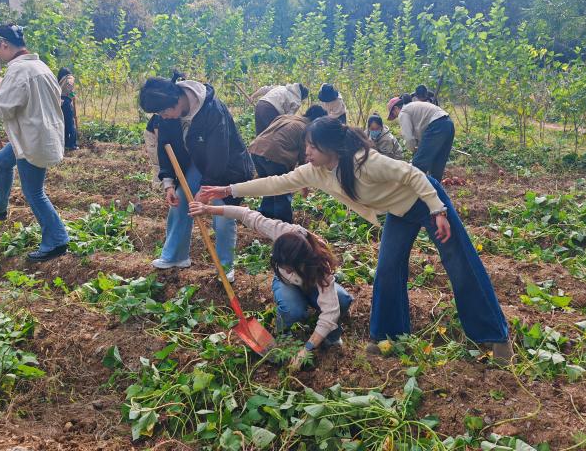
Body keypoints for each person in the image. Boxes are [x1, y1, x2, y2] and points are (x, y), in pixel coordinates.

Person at [198, 117, 512, 362]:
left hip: (426, 201)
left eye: (312, 147)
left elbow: (413, 174)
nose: (306, 153)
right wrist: (229, 190)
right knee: (387, 269)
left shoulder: (366, 161)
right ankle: (388, 336)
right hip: (399, 210)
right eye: (307, 147)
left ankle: (494, 336)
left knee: (459, 263)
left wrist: (438, 210)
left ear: (330, 147)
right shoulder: (316, 171)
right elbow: (276, 183)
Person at [188, 201, 353, 369]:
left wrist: (307, 348)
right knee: (292, 310)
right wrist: (208, 209)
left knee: (341, 300)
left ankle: (330, 337)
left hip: (312, 285)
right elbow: (247, 214)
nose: (284, 269)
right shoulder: (284, 232)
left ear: (300, 262)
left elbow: (330, 311)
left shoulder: (319, 265)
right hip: (287, 284)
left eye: (288, 268)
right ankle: (283, 334)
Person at [139, 73, 254, 282]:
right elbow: (165, 148)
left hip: (228, 166)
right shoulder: (167, 115)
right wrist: (168, 183)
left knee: (222, 214)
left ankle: (225, 266)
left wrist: (206, 188)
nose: (163, 116)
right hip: (197, 162)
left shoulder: (211, 110)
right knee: (180, 200)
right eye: (159, 113)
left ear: (176, 100)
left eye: (164, 111)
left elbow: (219, 153)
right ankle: (176, 256)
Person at [0, 24, 69, 263]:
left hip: (31, 140)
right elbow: (28, 95)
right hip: (39, 133)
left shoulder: (18, 71)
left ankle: (57, 240)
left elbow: (4, 108)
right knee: (2, 161)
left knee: (34, 192)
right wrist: (4, 87)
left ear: (4, 44)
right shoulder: (39, 66)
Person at [249, 105, 328, 223]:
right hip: (274, 156)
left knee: (269, 186)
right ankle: (284, 223)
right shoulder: (306, 130)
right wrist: (304, 186)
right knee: (283, 189)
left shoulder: (286, 117)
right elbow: (304, 159)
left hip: (256, 151)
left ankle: (264, 217)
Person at [388, 95, 454, 182]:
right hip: (448, 124)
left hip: (436, 125)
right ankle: (434, 188)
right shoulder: (413, 106)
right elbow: (422, 136)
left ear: (396, 108)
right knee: (437, 163)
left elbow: (409, 138)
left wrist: (414, 150)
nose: (396, 117)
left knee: (418, 164)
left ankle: (414, 189)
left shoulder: (403, 112)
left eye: (394, 114)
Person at [57, 67, 78, 151]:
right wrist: (72, 96)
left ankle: (65, 143)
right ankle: (72, 145)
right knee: (70, 124)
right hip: (66, 102)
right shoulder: (69, 77)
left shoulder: (60, 80)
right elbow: (70, 89)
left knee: (63, 123)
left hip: (59, 102)